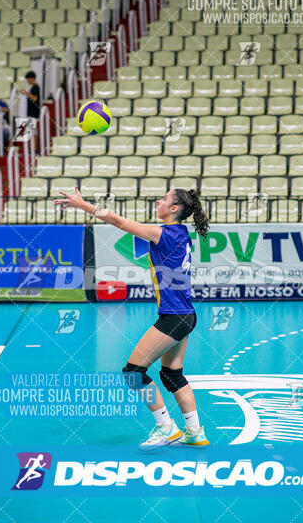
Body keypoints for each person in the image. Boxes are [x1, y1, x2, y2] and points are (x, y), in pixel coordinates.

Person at [54, 187, 210, 449]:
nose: (158, 200)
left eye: (164, 199)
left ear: (174, 209)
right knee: (172, 375)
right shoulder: (182, 233)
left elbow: (118, 221)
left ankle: (165, 426)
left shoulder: (164, 233)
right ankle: (194, 431)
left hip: (173, 317)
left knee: (133, 373)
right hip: (186, 315)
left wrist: (83, 205)